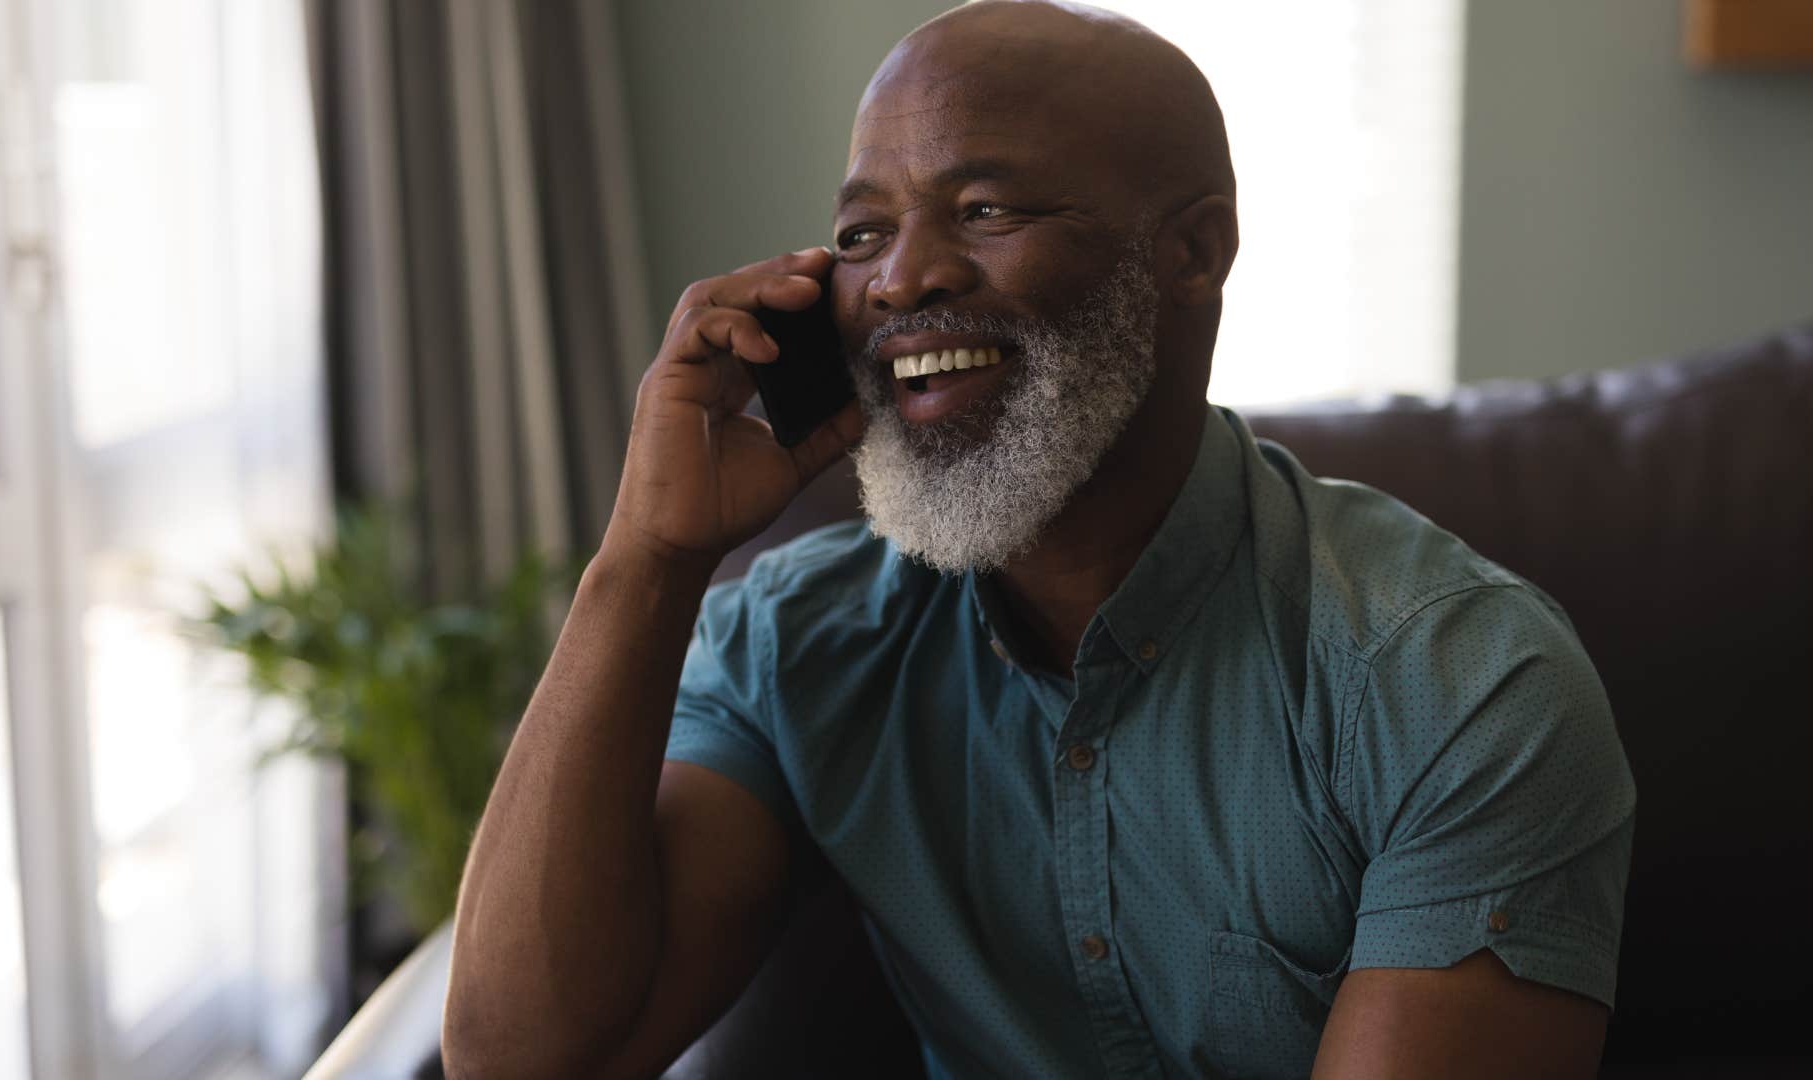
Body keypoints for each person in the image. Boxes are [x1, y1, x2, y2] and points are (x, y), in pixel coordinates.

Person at [441, 2, 1636, 1077]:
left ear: (1194, 254)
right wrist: (648, 559)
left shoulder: (1458, 682)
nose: (904, 279)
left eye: (985, 209)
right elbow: (520, 1059)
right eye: (861, 234)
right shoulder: (791, 649)